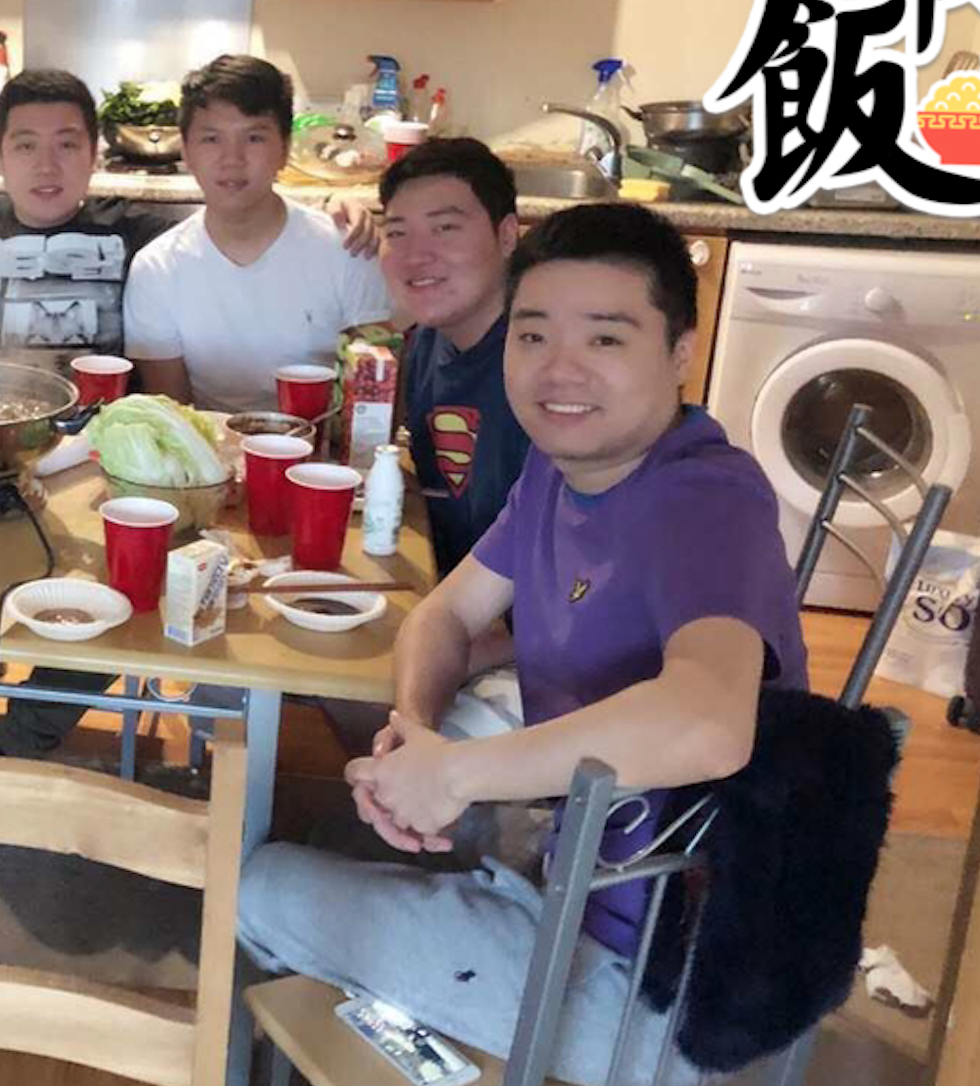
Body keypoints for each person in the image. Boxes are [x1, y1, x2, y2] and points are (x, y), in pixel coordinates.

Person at [236, 203, 809, 1086]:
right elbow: (445, 617)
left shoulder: (702, 501)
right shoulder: (566, 466)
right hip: (567, 864)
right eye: (533, 335)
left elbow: (709, 722)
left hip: (657, 984)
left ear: (681, 353)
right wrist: (415, 733)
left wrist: (455, 776)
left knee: (259, 885)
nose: (559, 370)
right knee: (343, 826)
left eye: (606, 339)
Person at [0, 68, 381, 757]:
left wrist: (344, 203)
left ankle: (28, 730)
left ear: (96, 154)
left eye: (68, 144)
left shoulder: (134, 236)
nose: (47, 165)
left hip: (91, 462)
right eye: (25, 145)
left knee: (120, 586)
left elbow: (240, 220)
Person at [126, 55, 394, 412]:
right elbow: (172, 413)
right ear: (186, 152)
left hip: (322, 443)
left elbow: (376, 395)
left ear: (284, 149)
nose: (232, 159)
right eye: (211, 139)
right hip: (210, 444)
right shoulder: (157, 269)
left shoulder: (347, 247)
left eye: (254, 138)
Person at [376, 138, 532, 578]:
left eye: (445, 228)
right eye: (397, 233)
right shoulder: (424, 344)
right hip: (439, 588)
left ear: (507, 235)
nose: (416, 255)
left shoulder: (543, 367)